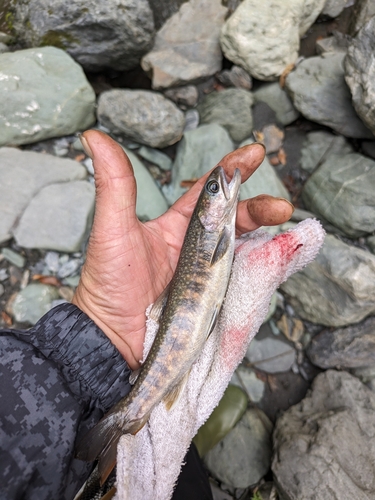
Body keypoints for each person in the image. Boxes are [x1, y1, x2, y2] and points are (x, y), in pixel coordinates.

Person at [0, 130, 294, 499]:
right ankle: (151, 438)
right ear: (208, 214)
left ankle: (155, 441)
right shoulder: (215, 233)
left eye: (212, 191)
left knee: (177, 471)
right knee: (180, 476)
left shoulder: (216, 228)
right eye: (213, 192)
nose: (219, 186)